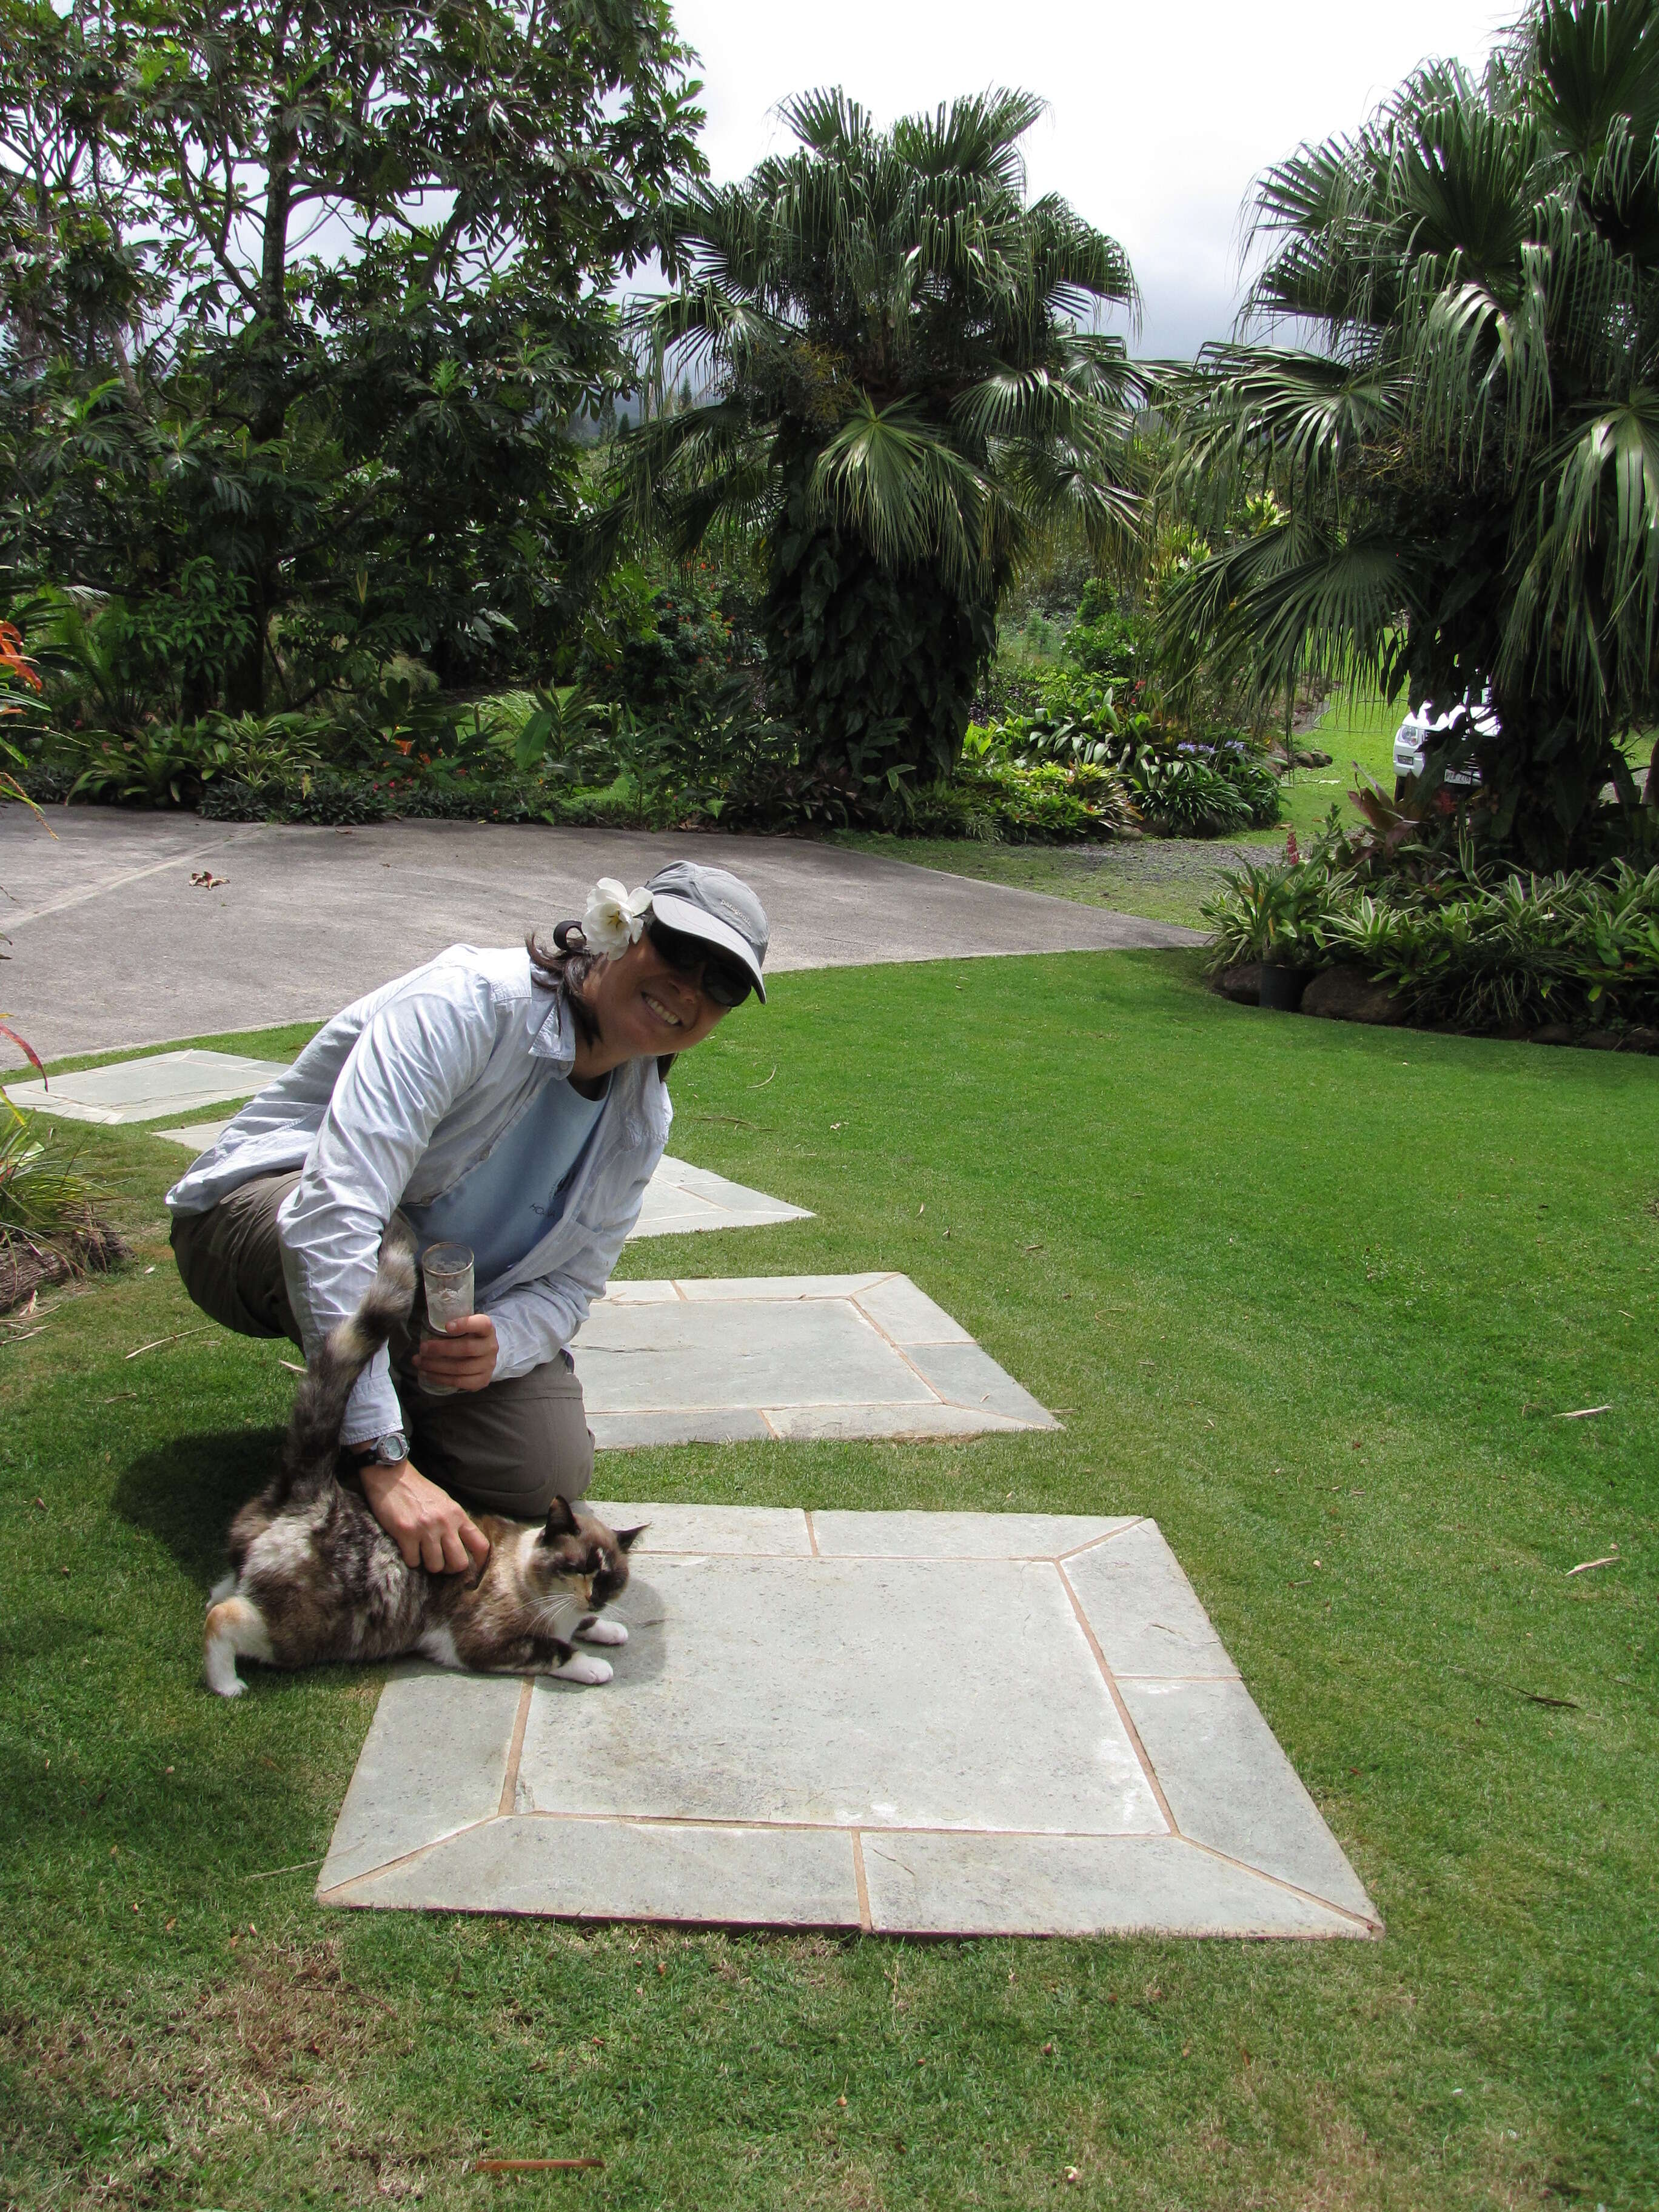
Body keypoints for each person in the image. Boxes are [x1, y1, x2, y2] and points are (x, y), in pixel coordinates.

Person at [168, 859, 768, 1578]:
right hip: (255, 1215)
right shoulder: (467, 1003)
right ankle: (370, 1439)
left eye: (723, 982)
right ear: (621, 932)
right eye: (676, 951)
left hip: (429, 1288)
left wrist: (503, 1343)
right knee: (384, 1252)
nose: (690, 988)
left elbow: (572, 1286)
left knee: (544, 1471)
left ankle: (384, 1395)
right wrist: (382, 1457)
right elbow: (334, 1213)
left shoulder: (642, 1119)